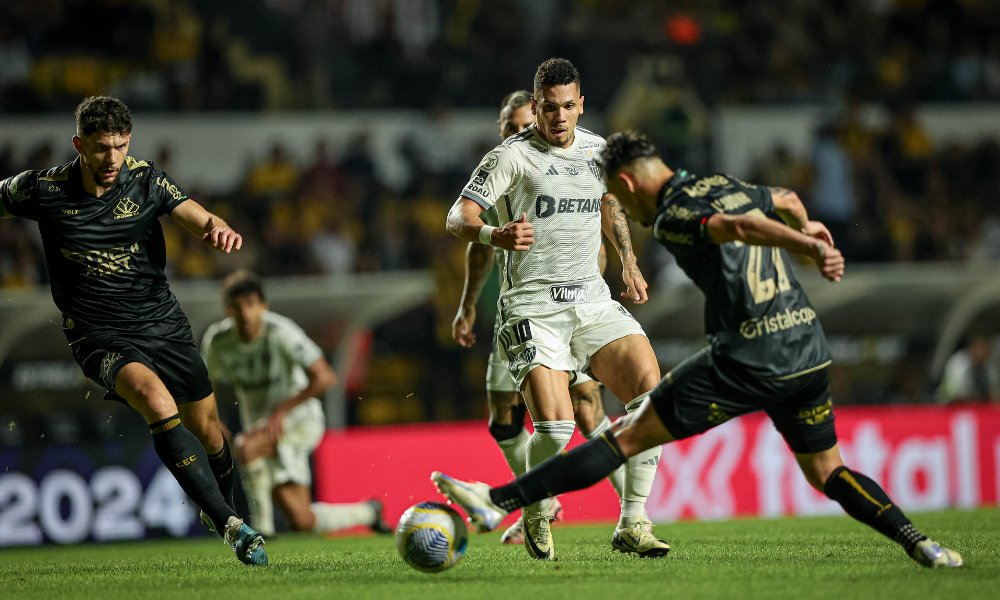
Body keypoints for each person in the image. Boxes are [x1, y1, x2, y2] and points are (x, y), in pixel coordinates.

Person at [432, 130, 963, 569]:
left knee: (622, 437)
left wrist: (808, 246)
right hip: (806, 348)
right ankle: (921, 544)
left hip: (745, 358)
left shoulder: (672, 217)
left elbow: (736, 227)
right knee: (829, 472)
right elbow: (787, 198)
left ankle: (495, 501)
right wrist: (807, 226)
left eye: (625, 201)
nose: (633, 217)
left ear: (624, 183)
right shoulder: (722, 182)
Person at [0, 96, 267, 566]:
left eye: (121, 146)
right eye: (102, 148)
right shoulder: (43, 189)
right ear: (78, 144)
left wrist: (216, 228)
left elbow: (199, 216)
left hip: (161, 322)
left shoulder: (146, 180)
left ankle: (228, 513)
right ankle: (229, 523)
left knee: (207, 429)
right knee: (155, 400)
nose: (112, 159)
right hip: (97, 333)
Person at [445, 58, 668, 560]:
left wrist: (629, 262)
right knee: (556, 428)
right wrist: (492, 232)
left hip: (590, 299)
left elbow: (611, 203)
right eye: (549, 108)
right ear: (537, 105)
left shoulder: (599, 150)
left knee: (651, 397)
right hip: (532, 307)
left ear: (581, 104)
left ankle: (633, 522)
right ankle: (535, 504)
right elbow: (458, 216)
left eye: (568, 106)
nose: (559, 116)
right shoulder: (511, 156)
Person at [202, 270, 390, 537]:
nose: (246, 313)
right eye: (238, 306)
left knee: (247, 447)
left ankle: (262, 531)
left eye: (251, 304)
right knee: (301, 520)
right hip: (262, 424)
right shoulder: (218, 341)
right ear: (227, 309)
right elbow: (206, 383)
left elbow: (325, 377)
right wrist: (212, 417)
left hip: (301, 419)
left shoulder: (281, 332)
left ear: (263, 306)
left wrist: (282, 411)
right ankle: (369, 512)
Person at [936, 334, 1000, 404]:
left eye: (986, 350)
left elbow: (994, 389)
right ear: (972, 348)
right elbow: (958, 392)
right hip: (951, 401)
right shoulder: (958, 362)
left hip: (982, 403)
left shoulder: (990, 365)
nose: (983, 353)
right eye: (980, 349)